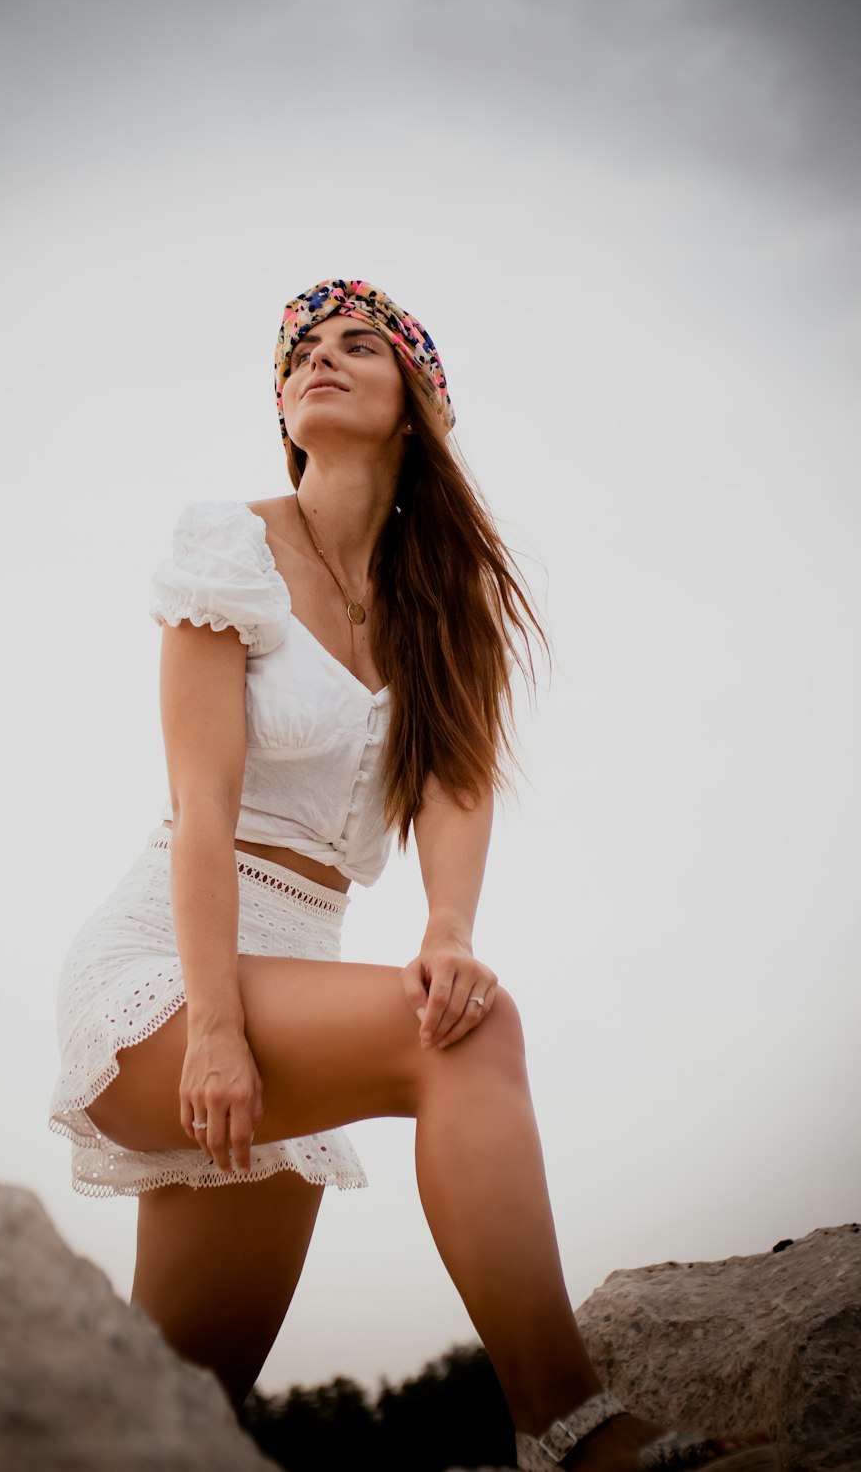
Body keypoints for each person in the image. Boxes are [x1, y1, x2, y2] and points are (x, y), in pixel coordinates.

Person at [49, 279, 779, 1471]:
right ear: (284, 409)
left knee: (173, 1423)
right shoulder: (226, 545)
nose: (319, 359)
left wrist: (447, 927)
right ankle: (570, 1431)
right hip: (170, 974)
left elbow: (453, 787)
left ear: (413, 408)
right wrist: (218, 1028)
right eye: (301, 352)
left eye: (357, 347)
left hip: (302, 969)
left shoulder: (445, 600)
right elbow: (203, 814)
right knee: (467, 1040)